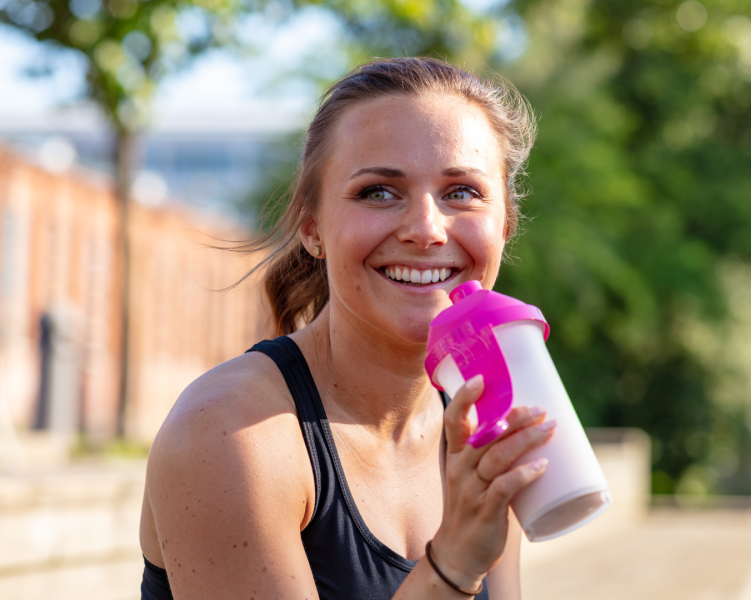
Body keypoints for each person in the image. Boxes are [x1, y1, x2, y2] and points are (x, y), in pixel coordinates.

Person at [139, 57, 556, 600]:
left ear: (504, 226)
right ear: (313, 229)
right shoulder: (227, 432)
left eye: (462, 192)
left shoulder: (484, 408)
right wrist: (453, 562)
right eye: (378, 192)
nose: (426, 230)